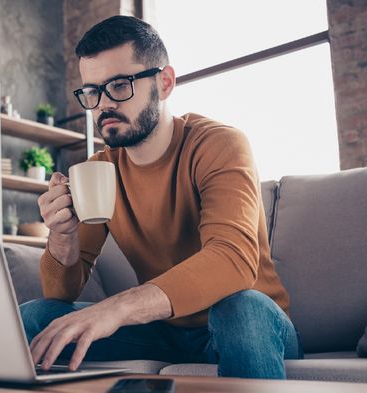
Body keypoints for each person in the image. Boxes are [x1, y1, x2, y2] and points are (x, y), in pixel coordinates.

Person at [19, 15, 302, 379]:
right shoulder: (99, 170)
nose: (103, 104)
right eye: (92, 91)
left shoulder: (217, 144)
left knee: (239, 309)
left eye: (119, 85)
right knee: (35, 317)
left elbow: (233, 259)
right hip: (165, 331)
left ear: (164, 82)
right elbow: (60, 292)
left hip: (251, 323)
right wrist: (61, 236)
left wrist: (117, 308)